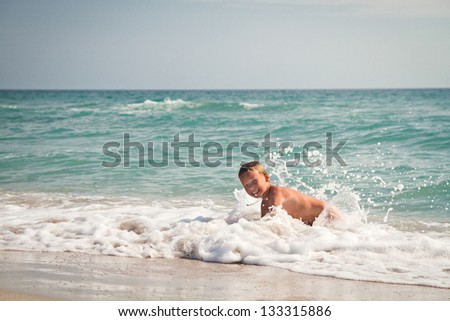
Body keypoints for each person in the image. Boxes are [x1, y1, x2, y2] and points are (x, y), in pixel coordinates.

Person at [238, 161, 341, 225]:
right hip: (316, 222)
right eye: (246, 185)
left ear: (266, 177)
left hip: (328, 214)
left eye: (254, 181)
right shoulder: (264, 203)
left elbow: (272, 219)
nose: (251, 187)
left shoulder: (276, 193)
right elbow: (265, 223)